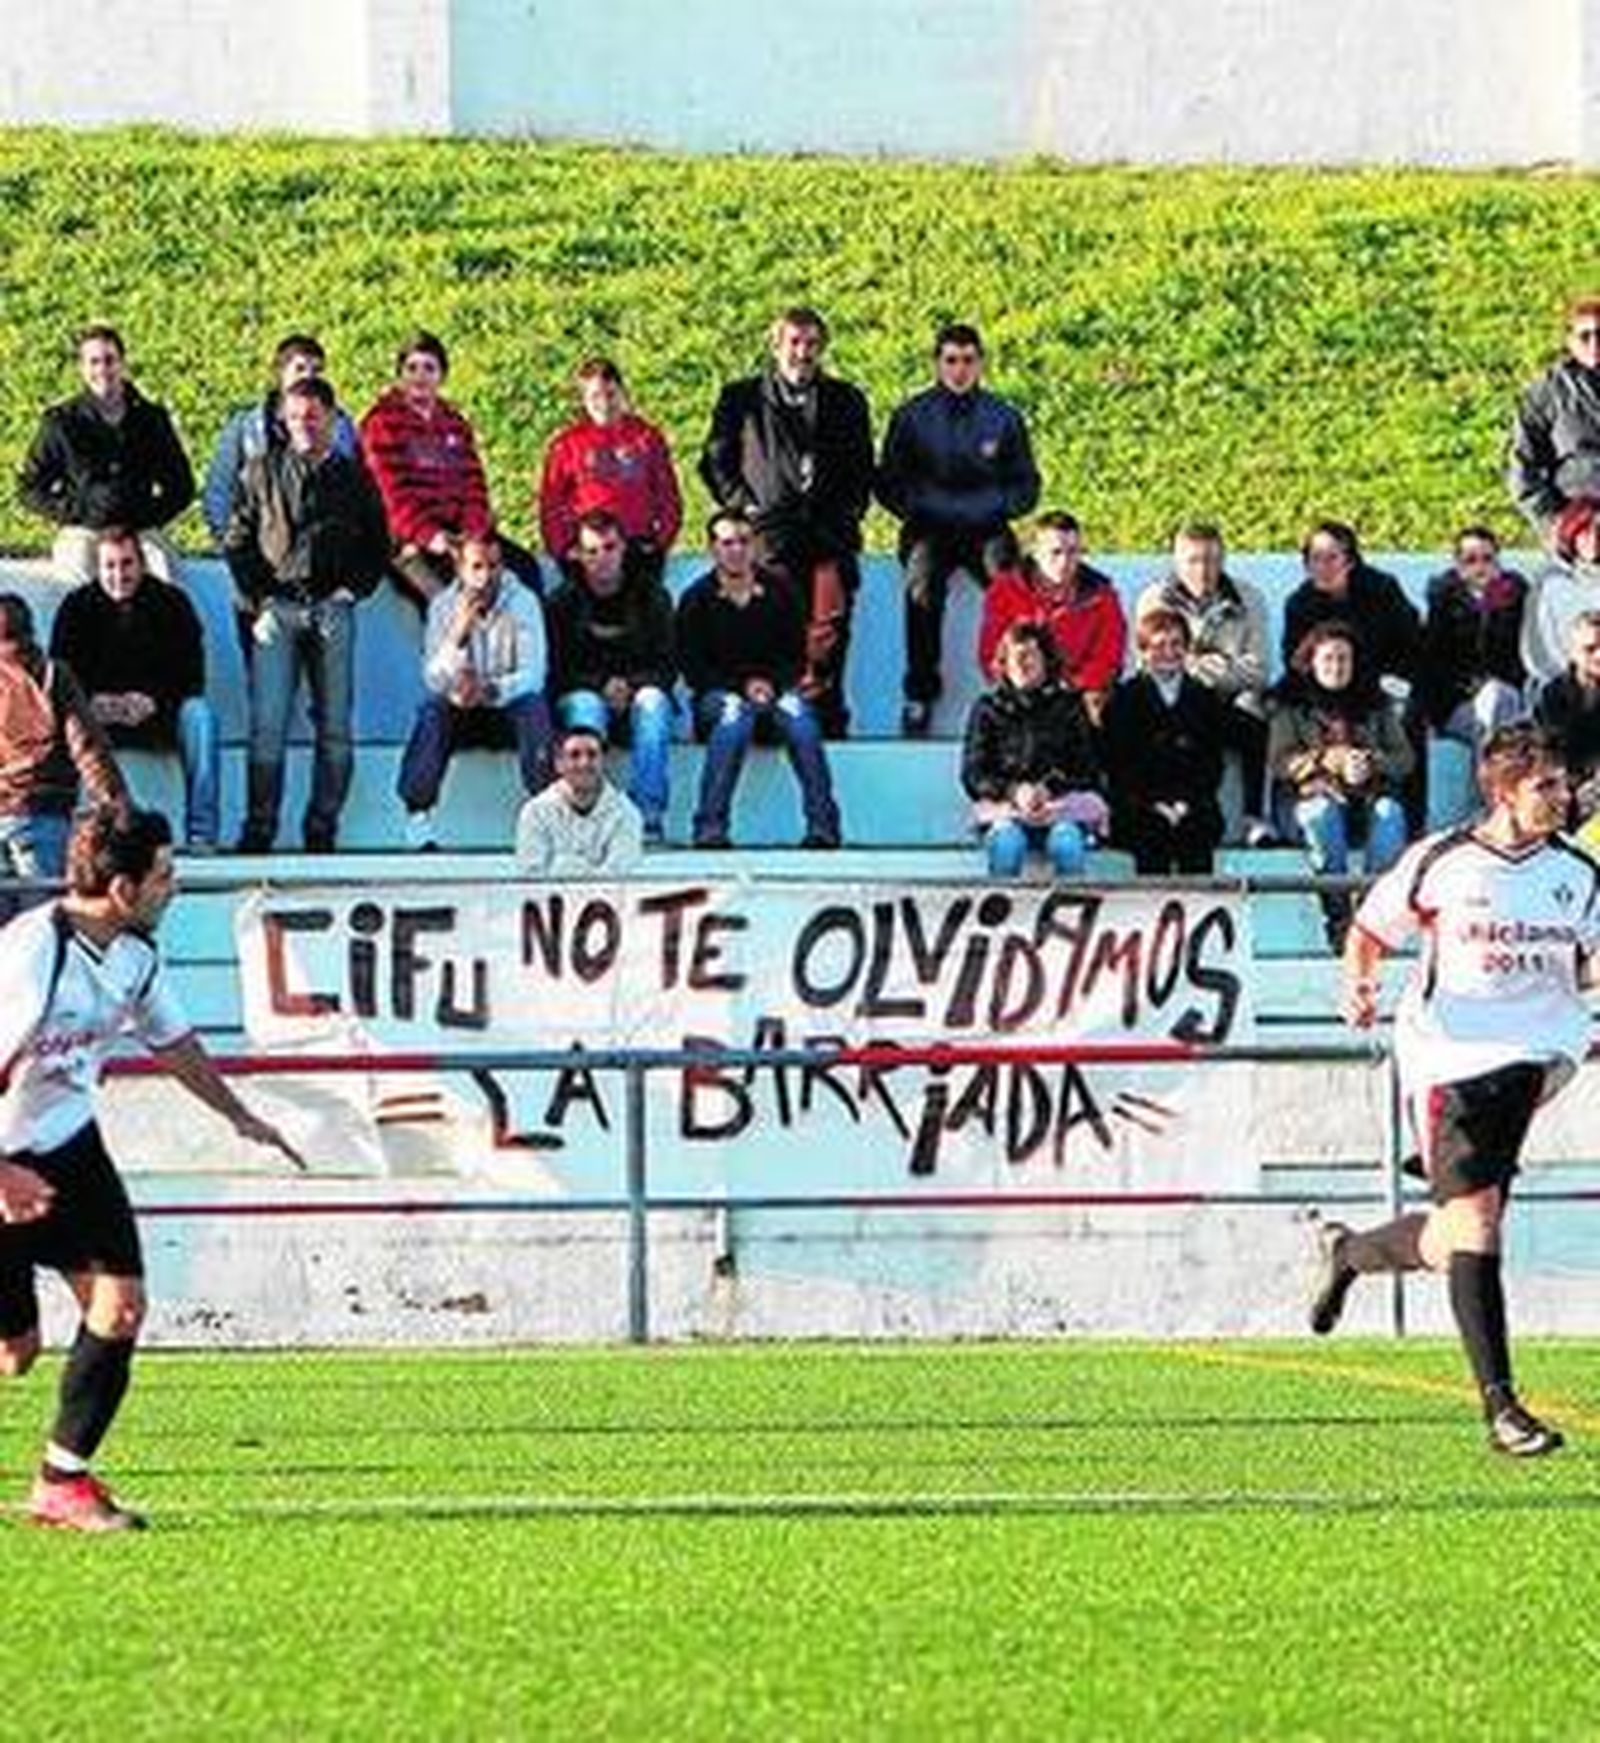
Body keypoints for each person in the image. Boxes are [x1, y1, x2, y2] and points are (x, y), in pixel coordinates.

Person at [0, 806, 302, 1531]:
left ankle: (61, 1482)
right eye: (164, 876)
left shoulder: (134, 954)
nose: (174, 887)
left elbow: (174, 1042)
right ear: (122, 887)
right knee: (15, 1352)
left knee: (122, 1305)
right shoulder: (33, 954)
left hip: (69, 1147)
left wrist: (238, 1114)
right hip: (4, 1157)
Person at [1308, 723, 1598, 1458]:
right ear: (1504, 791)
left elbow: (1586, 963)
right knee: (1477, 1225)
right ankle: (1502, 1409)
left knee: (1453, 1236)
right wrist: (1357, 983)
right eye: (1546, 786)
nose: (1563, 797)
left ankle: (1349, 1252)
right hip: (1453, 1057)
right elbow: (1369, 930)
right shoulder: (1442, 860)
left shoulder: (1576, 872)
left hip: (1538, 1059)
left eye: (1564, 784)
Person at [223, 376, 389, 852]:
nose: (304, 426)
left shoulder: (354, 477)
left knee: (335, 727)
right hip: (276, 609)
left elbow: (378, 543)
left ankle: (322, 826)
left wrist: (352, 589)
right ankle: (260, 826)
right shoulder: (261, 471)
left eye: (313, 417)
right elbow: (237, 538)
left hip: (333, 609)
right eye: (295, 417)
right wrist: (259, 596)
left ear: (332, 419)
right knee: (267, 725)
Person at [699, 308, 874, 738]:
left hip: (829, 537)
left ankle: (829, 724)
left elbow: (863, 469)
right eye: (794, 342)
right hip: (768, 538)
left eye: (812, 344)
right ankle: (768, 721)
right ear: (775, 346)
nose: (802, 352)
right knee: (770, 633)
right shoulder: (740, 398)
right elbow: (716, 462)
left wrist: (847, 513)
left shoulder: (847, 400)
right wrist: (745, 509)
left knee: (829, 636)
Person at [877, 322, 1041, 735]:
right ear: (937, 364)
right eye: (951, 360)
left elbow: (1027, 485)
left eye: (968, 360)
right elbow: (888, 483)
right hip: (928, 528)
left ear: (980, 364)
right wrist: (921, 506)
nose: (959, 370)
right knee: (922, 584)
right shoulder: (911, 417)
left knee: (1011, 586)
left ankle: (1018, 686)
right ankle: (920, 694)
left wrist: (996, 505)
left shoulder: (1003, 418)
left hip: (986, 528)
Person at [676, 509, 842, 850]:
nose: (736, 550)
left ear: (754, 546)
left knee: (801, 718)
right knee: (734, 715)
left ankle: (823, 827)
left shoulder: (781, 590)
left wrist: (771, 685)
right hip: (718, 698)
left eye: (743, 541)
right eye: (727, 543)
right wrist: (743, 687)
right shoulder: (696, 599)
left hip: (776, 692)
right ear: (712, 549)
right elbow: (693, 669)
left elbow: (797, 657)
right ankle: (710, 827)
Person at [48, 529, 221, 853]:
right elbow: (59, 673)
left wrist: (153, 701)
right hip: (94, 719)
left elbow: (192, 674)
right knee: (54, 718)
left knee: (200, 717)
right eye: (109, 566)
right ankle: (62, 831)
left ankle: (202, 835)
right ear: (97, 568)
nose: (119, 574)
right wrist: (93, 701)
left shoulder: (172, 602)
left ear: (142, 563)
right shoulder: (76, 606)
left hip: (158, 714)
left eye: (127, 564)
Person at [359, 329, 540, 609]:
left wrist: (473, 532)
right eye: (411, 368)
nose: (420, 376)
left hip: (461, 531)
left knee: (525, 569)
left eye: (429, 368)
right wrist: (429, 535)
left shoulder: (455, 423)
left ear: (442, 375)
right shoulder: (381, 423)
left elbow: (474, 484)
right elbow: (390, 493)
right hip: (412, 539)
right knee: (450, 601)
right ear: (400, 374)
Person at [396, 534, 553, 851]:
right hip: (462, 711)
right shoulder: (442, 605)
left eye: (493, 566)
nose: (486, 576)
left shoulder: (523, 601)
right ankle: (417, 815)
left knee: (534, 706)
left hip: (506, 708)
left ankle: (549, 815)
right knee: (432, 710)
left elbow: (534, 674)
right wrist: (457, 635)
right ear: (460, 569)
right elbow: (433, 679)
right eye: (477, 567)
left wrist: (492, 690)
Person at [1269, 620, 1413, 950]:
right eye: (1329, 659)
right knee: (1321, 813)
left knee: (1391, 813)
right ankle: (1337, 912)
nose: (1336, 667)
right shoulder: (1291, 704)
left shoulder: (1376, 703)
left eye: (1344, 659)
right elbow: (1279, 762)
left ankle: (1371, 915)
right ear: (1312, 661)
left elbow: (1405, 758)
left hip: (1366, 797)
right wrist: (1327, 760)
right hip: (1308, 798)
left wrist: (1372, 761)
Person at [18, 324, 194, 589]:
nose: (102, 370)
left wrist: (147, 514)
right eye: (94, 362)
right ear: (82, 368)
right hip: (83, 530)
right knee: (73, 580)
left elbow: (182, 486)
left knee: (165, 574)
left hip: (139, 529)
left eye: (109, 360)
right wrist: (79, 510)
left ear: (122, 363)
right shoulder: (62, 423)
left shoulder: (151, 419)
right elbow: (29, 487)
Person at [1281, 519, 1426, 830]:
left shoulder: (1382, 589)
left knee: (1407, 711)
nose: (1322, 567)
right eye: (1314, 559)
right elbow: (1294, 662)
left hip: (1378, 683)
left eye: (1331, 558)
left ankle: (1411, 819)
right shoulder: (1300, 603)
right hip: (1323, 686)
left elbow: (1412, 644)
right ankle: (1298, 811)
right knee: (1284, 711)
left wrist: (1390, 681)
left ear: (1350, 560)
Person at [1134, 522, 1274, 842]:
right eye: (1193, 561)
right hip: (1175, 699)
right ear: (1176, 561)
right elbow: (1148, 664)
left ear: (1223, 560)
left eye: (1211, 560)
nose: (1203, 571)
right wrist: (1206, 666)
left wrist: (1203, 670)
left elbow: (1259, 670)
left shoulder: (1249, 599)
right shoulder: (1154, 599)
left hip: (1226, 700)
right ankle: (1152, 808)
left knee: (1254, 711)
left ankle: (1253, 818)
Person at [546, 510, 677, 843]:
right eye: (591, 551)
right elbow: (557, 670)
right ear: (578, 554)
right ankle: (586, 816)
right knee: (586, 707)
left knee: (654, 704)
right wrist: (600, 686)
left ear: (623, 549)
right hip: (582, 693)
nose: (601, 558)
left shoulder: (652, 596)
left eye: (609, 548)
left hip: (640, 691)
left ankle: (645, 819)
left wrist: (631, 686)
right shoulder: (562, 602)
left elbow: (667, 664)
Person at [0, 594, 126, 899]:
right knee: (44, 921)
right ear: (31, 631)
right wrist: (119, 809)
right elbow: (88, 748)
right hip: (44, 815)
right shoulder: (55, 675)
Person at [960, 621, 1105, 878]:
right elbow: (974, 773)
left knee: (1066, 843)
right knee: (1007, 844)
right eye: (1015, 656)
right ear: (1004, 663)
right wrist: (1014, 791)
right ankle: (1002, 904)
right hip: (1006, 808)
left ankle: (1072, 904)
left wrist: (1048, 788)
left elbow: (1088, 770)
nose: (1022, 664)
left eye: (1031, 655)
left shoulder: (1069, 706)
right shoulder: (988, 709)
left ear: (1046, 661)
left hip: (1061, 807)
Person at [201, 332, 361, 546]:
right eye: (300, 368)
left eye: (317, 370)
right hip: (259, 545)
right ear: (279, 372)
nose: (309, 376)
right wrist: (232, 544)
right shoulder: (246, 427)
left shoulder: (341, 426)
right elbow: (220, 490)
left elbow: (355, 488)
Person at [1102, 609, 1226, 875]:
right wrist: (1154, 804)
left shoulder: (1204, 698)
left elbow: (1212, 765)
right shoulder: (1123, 699)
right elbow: (1118, 766)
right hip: (1139, 805)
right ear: (1143, 652)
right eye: (1159, 646)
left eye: (1176, 644)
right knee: (1151, 834)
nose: (1169, 653)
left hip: (1193, 805)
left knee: (1196, 834)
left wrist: (1185, 804)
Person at [539, 357, 682, 585]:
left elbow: (668, 495)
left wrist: (661, 543)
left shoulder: (646, 437)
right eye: (595, 396)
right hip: (589, 549)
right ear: (583, 400)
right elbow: (551, 503)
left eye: (611, 394)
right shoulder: (566, 445)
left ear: (622, 393)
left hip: (637, 546)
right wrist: (563, 548)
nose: (604, 403)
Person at [978, 512, 1126, 726]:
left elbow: (1110, 656)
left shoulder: (1102, 595)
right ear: (1036, 553)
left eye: (1073, 552)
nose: (1064, 562)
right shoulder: (1005, 590)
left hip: (1077, 696)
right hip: (1022, 693)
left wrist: (1070, 685)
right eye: (1055, 552)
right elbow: (991, 654)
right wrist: (1032, 685)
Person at [1419, 525, 1528, 759]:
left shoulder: (1517, 598)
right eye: (1470, 560)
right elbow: (1433, 664)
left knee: (1500, 697)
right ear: (1458, 565)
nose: (1480, 567)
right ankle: (1495, 772)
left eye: (1487, 559)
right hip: (1459, 704)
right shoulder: (1444, 603)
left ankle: (1499, 771)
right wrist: (1473, 687)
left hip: (1511, 696)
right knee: (1493, 701)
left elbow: (1526, 656)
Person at [1507, 294, 1600, 548]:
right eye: (1585, 336)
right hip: (1580, 525)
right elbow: (1523, 469)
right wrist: (1556, 527)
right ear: (1570, 341)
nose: (1595, 344)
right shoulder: (1546, 394)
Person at [515, 723, 643, 877]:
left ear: (603, 762)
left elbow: (620, 876)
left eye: (592, 755)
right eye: (574, 755)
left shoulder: (627, 813)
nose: (584, 763)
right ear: (558, 764)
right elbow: (532, 875)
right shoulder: (535, 813)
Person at [1519, 497, 1600, 697]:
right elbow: (1536, 651)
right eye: (1584, 531)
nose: (1594, 539)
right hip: (1562, 689)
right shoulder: (1550, 583)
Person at [1533, 608, 1600, 839]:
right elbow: (1547, 751)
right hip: (1566, 788)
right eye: (1590, 649)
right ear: (1573, 652)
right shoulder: (1552, 695)